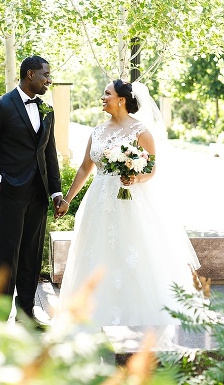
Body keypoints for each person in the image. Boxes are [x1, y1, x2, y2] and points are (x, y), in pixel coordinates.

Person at [53, 79, 200, 328]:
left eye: (107, 93)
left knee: (131, 251)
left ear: (121, 99)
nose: (102, 97)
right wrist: (67, 199)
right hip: (98, 202)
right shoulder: (97, 131)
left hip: (130, 201)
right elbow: (84, 168)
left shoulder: (141, 132)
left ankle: (135, 311)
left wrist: (135, 177)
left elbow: (151, 170)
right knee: (98, 252)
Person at [0, 55, 63, 325]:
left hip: (38, 194)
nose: (49, 79)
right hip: (10, 191)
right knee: (6, 253)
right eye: (46, 74)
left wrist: (56, 192)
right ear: (30, 74)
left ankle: (26, 314)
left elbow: (50, 154)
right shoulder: (1, 106)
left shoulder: (47, 110)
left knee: (31, 254)